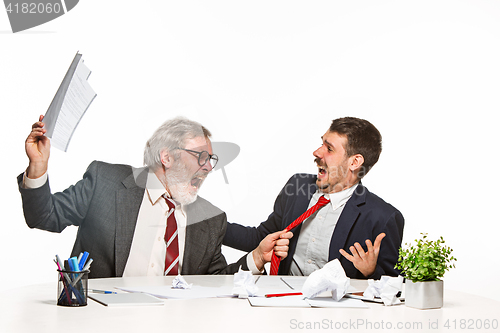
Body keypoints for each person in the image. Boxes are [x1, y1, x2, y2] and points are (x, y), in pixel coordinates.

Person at [18, 115, 291, 278]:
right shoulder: (106, 183)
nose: (209, 167)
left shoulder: (211, 220)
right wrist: (38, 168)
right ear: (167, 156)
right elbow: (44, 217)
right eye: (202, 157)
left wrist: (255, 258)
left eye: (211, 159)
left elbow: (217, 284)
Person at [223, 117, 404, 279]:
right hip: (283, 303)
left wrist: (371, 272)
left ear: (355, 162)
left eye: (329, 149)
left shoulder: (383, 218)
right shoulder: (298, 186)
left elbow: (395, 287)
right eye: (322, 144)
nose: (317, 152)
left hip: (336, 313)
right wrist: (205, 225)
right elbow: (262, 238)